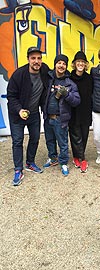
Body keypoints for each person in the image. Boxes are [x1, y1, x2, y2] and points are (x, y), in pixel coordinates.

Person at [7, 46, 49, 186]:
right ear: (28, 59)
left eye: (39, 58)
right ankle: (18, 169)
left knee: (35, 138)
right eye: (33, 58)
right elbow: (11, 96)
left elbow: (57, 73)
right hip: (17, 114)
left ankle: (30, 162)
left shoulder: (44, 70)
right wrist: (19, 110)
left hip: (34, 113)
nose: (36, 61)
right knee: (17, 141)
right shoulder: (18, 75)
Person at [43, 54, 80, 176]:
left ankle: (63, 162)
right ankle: (53, 158)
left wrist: (66, 94)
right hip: (48, 117)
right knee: (49, 140)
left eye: (64, 63)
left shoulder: (70, 83)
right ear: (55, 64)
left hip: (60, 119)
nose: (61, 65)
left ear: (66, 66)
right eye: (59, 63)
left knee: (62, 142)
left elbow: (76, 101)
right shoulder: (48, 79)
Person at [69, 51, 93, 173]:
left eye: (82, 62)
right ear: (74, 64)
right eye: (78, 62)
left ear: (85, 64)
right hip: (73, 112)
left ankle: (78, 155)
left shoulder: (89, 78)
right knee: (74, 135)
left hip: (85, 112)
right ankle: (81, 158)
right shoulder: (69, 77)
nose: (80, 64)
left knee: (84, 135)